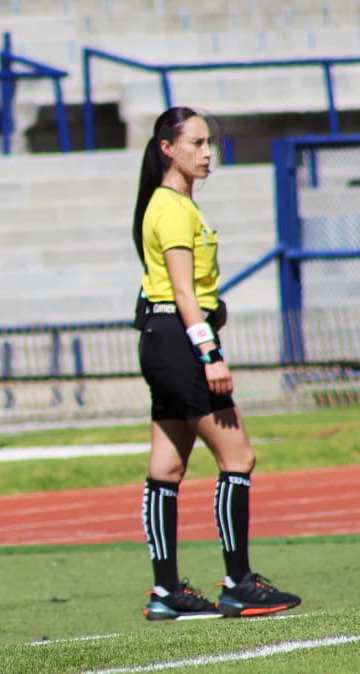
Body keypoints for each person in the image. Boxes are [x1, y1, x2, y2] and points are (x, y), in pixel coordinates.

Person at [132, 106, 300, 620]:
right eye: (197, 143)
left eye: (211, 144)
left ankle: (166, 592)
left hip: (162, 338)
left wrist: (209, 311)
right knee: (239, 457)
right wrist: (208, 352)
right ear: (168, 147)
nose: (208, 154)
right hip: (180, 341)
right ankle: (239, 582)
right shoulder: (174, 207)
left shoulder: (174, 205)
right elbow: (182, 290)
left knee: (167, 467)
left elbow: (184, 287)